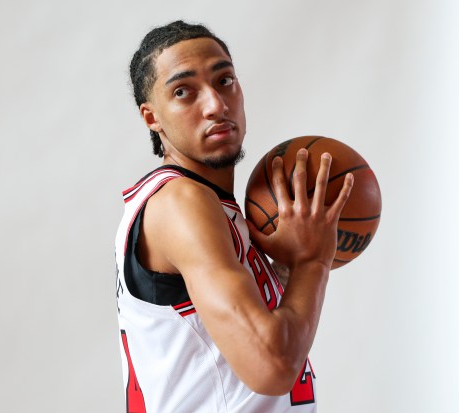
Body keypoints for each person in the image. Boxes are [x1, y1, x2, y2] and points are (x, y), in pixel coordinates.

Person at [114, 20, 353, 412]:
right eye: (183, 91)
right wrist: (313, 260)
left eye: (224, 80)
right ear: (151, 117)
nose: (215, 105)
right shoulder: (181, 202)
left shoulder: (209, 208)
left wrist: (289, 265)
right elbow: (271, 366)